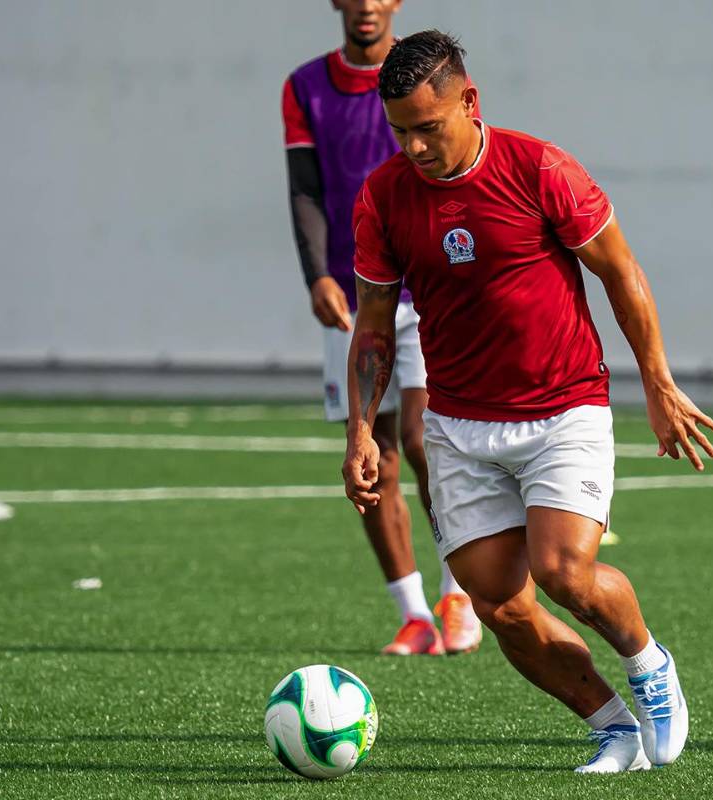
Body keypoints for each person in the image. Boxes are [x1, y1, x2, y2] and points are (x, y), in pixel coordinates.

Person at [343, 31, 713, 772]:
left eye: (428, 127)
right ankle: (613, 728)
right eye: (400, 132)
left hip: (564, 408)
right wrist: (360, 429)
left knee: (563, 572)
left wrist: (657, 381)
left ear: (469, 101)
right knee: (499, 605)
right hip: (459, 425)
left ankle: (648, 662)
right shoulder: (383, 197)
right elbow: (375, 324)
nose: (414, 148)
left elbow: (621, 271)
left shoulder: (539, 168)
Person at [283, 3, 481, 656]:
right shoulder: (305, 86)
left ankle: (459, 595)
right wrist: (317, 274)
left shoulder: (424, 76)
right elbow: (305, 190)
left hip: (424, 288)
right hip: (355, 295)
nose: (366, 4)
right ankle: (413, 615)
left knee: (428, 442)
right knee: (375, 455)